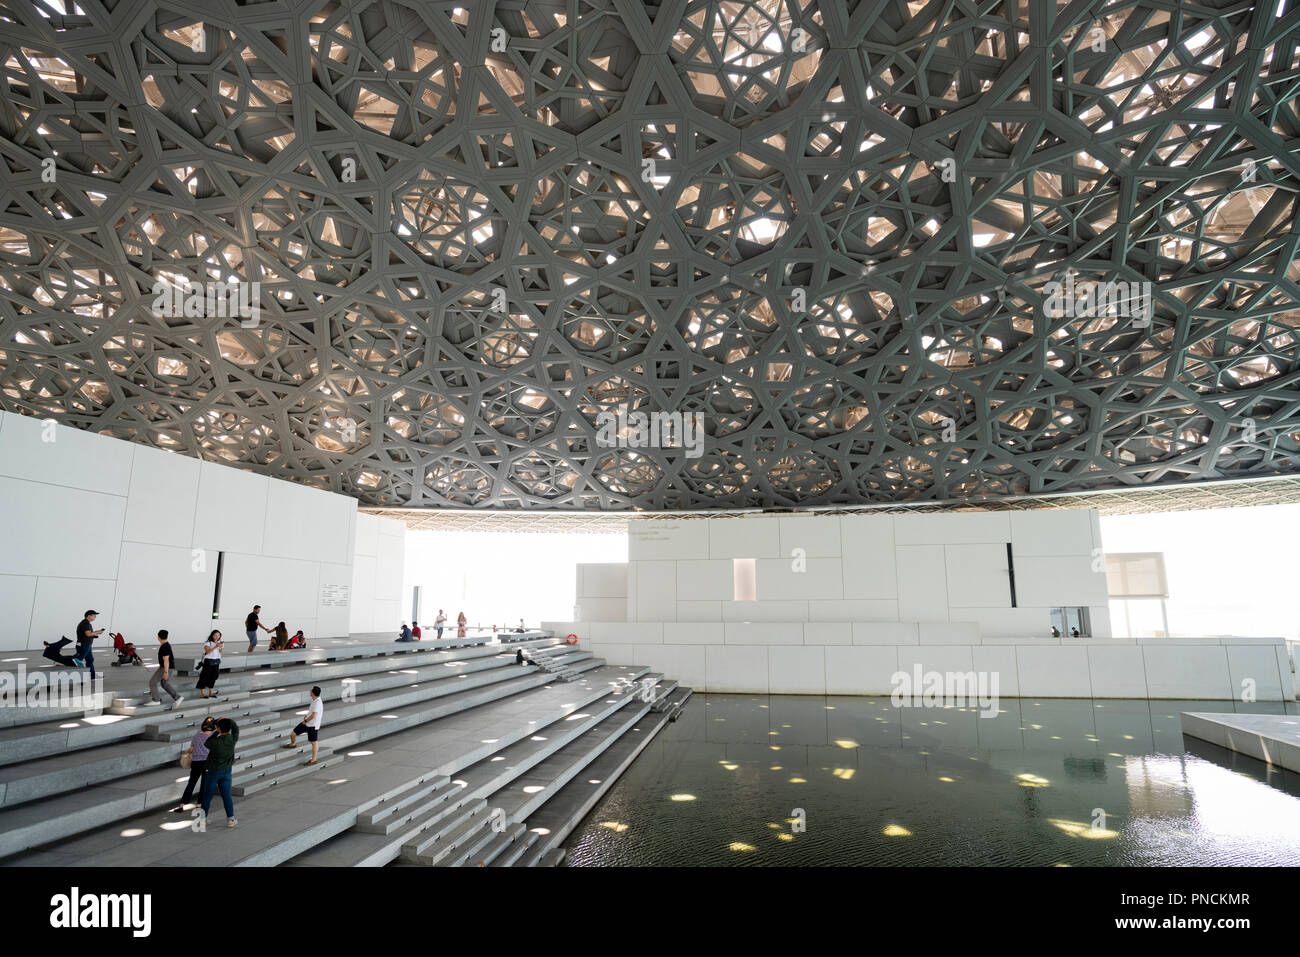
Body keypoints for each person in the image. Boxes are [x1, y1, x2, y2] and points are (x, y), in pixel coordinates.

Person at [199, 717, 239, 828]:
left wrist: (216, 731)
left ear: (219, 728)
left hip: (212, 772)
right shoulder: (232, 739)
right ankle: (231, 819)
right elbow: (236, 729)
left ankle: (203, 819)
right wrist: (230, 720)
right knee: (226, 795)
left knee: (207, 796)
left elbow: (207, 742)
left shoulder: (215, 742)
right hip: (226, 771)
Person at [172, 716, 215, 812]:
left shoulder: (197, 736)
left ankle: (182, 805)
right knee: (204, 784)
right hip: (207, 762)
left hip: (196, 762)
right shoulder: (212, 738)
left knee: (191, 783)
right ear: (213, 728)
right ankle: (199, 804)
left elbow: (191, 749)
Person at [286, 686, 324, 765]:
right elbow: (311, 713)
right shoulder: (314, 700)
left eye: (311, 690)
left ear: (313, 693)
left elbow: (314, 715)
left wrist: (306, 720)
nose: (310, 691)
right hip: (307, 722)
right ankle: (293, 744)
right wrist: (306, 717)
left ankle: (314, 760)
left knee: (314, 742)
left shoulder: (317, 703)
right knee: (293, 733)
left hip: (312, 725)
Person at [148, 629, 183, 709]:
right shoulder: (166, 645)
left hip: (166, 668)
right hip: (167, 667)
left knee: (152, 682)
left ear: (158, 637)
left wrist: (165, 672)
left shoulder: (165, 646)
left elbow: (166, 660)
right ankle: (177, 698)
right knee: (164, 684)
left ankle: (156, 700)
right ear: (167, 636)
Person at [74, 609, 104, 680]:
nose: (95, 617)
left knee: (90, 660)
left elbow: (88, 634)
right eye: (94, 615)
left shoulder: (87, 623)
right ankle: (73, 675)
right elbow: (88, 634)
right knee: (77, 661)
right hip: (83, 645)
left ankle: (92, 676)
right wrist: (97, 632)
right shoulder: (85, 623)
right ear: (89, 616)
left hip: (87, 645)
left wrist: (94, 635)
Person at [196, 630, 223, 698]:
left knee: (214, 676)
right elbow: (207, 652)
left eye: (218, 635)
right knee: (204, 676)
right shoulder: (208, 642)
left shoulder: (220, 642)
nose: (217, 637)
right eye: (215, 635)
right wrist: (215, 646)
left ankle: (211, 692)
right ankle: (203, 693)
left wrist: (220, 647)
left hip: (216, 661)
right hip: (208, 661)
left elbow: (220, 652)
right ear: (212, 635)